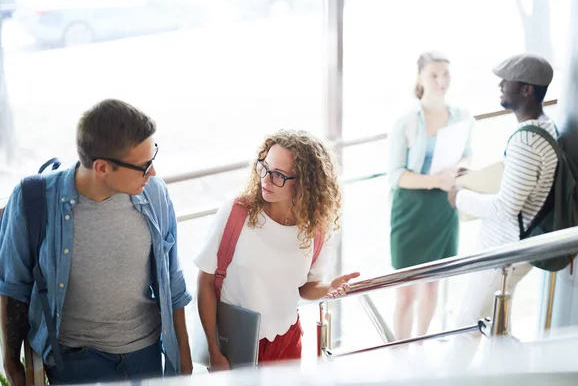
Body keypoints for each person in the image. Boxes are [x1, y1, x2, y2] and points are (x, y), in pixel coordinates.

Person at [0, 99, 193, 385]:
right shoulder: (33, 200)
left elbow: (172, 280)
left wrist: (184, 359)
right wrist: (11, 362)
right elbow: (13, 286)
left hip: (146, 354)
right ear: (102, 167)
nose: (152, 172)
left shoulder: (155, 194)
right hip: (75, 361)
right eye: (144, 165)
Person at [196, 129, 360, 370]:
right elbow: (205, 282)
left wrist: (328, 288)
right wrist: (213, 350)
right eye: (264, 168)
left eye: (279, 175)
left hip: (287, 340)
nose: (266, 179)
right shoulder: (236, 213)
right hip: (234, 341)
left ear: (305, 183)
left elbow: (306, 287)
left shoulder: (317, 230)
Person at [448, 53, 557, 364]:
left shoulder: (526, 141)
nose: (500, 84)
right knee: (490, 322)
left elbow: (507, 207)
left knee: (466, 325)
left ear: (527, 90)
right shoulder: (545, 128)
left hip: (504, 249)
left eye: (507, 80)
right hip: (515, 245)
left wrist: (460, 197)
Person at [388, 51, 474, 341]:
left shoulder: (462, 116)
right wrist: (436, 180)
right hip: (411, 209)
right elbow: (396, 175)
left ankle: (420, 344)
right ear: (420, 79)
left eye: (446, 74)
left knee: (433, 285)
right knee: (407, 290)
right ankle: (400, 351)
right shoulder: (405, 121)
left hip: (444, 207)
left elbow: (468, 154)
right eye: (434, 75)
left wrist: (457, 170)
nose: (441, 81)